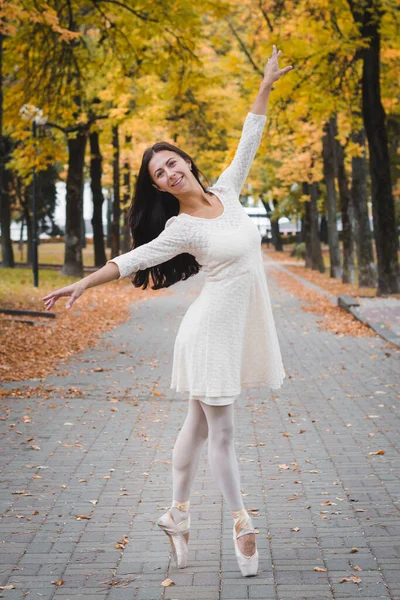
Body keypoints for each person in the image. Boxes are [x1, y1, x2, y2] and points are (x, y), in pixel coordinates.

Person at [43, 45, 293, 577]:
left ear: (187, 162)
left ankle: (177, 516)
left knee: (199, 429)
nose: (169, 173)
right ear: (157, 186)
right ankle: (242, 524)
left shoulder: (228, 190)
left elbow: (250, 135)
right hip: (209, 334)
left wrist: (266, 84)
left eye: (172, 162)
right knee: (220, 434)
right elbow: (133, 259)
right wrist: (83, 284)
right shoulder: (180, 228)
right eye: (159, 173)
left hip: (229, 327)